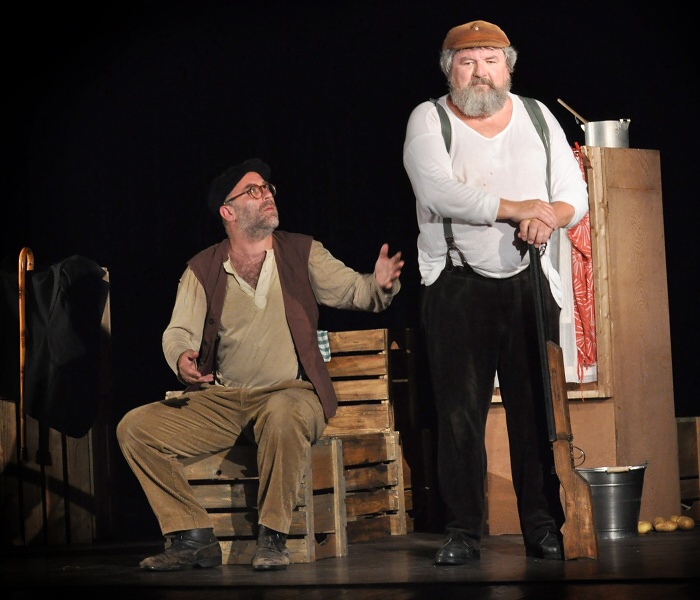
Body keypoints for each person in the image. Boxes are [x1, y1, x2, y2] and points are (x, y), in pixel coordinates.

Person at [117, 158, 403, 572]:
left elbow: (357, 292)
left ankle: (273, 537)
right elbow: (178, 330)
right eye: (253, 190)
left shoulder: (302, 252)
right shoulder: (203, 268)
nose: (266, 193)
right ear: (228, 211)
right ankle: (192, 536)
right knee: (135, 428)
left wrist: (380, 284)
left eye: (267, 187)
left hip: (291, 393)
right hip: (224, 400)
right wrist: (181, 356)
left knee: (283, 413)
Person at [402, 20, 589, 565]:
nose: (479, 72)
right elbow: (438, 191)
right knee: (460, 416)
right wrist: (516, 209)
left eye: (490, 60)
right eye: (467, 62)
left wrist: (547, 216)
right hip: (457, 284)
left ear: (508, 67)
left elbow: (573, 191)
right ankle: (463, 530)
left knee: (536, 414)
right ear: (450, 70)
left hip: (530, 281)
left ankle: (542, 527)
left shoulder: (537, 115)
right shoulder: (430, 118)